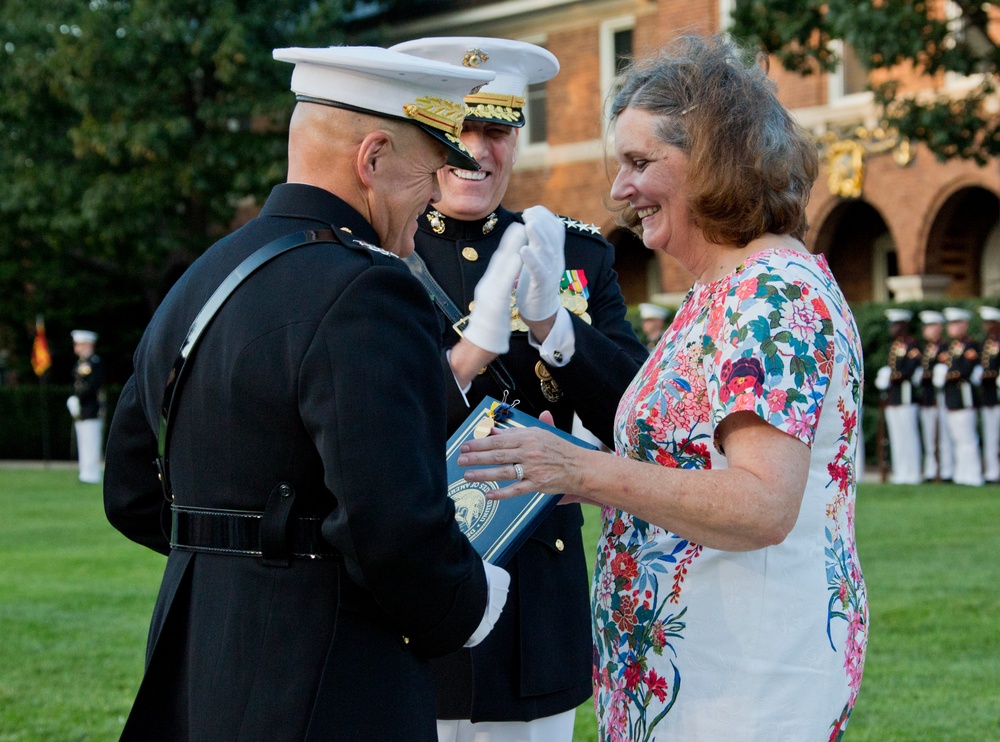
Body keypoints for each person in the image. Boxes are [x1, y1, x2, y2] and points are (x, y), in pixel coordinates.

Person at [457, 34, 868, 739]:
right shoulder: (725, 289)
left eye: (641, 163)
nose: (619, 191)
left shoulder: (769, 296)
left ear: (716, 161)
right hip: (698, 671)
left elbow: (761, 504)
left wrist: (578, 470)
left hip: (745, 678)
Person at [102, 46, 510, 741]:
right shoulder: (369, 290)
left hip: (196, 664)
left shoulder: (205, 274)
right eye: (430, 169)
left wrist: (236, 561)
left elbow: (133, 493)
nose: (438, 197)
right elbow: (393, 530)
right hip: (327, 678)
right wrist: (472, 603)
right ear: (372, 158)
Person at [388, 37, 648, 742]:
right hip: (416, 596)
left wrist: (554, 328)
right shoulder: (378, 259)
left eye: (496, 128)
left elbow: (637, 411)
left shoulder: (571, 254)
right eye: (458, 129)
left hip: (536, 596)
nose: (477, 148)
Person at [934, 307, 983, 486]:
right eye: (950, 323)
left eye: (955, 323)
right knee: (957, 439)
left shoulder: (970, 346)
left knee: (967, 438)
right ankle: (962, 473)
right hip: (952, 397)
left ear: (964, 325)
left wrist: (946, 375)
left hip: (964, 397)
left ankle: (973, 475)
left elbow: (965, 371)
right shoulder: (953, 347)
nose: (951, 327)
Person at [874, 309, 922, 484]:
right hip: (894, 397)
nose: (892, 328)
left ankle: (912, 472)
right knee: (897, 438)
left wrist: (892, 376)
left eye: (895, 325)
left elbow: (909, 370)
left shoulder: (911, 345)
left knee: (908, 435)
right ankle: (901, 472)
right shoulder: (895, 346)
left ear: (903, 326)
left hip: (906, 397)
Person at [917, 310, 954, 482]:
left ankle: (946, 470)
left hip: (941, 398)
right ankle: (932, 470)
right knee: (930, 437)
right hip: (928, 398)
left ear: (939, 327)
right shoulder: (928, 349)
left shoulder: (945, 348)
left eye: (930, 326)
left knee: (944, 436)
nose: (926, 329)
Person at [66, 329, 104, 484]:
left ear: (89, 345)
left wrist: (79, 398)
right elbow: (75, 384)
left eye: (80, 344)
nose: (77, 347)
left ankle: (93, 472)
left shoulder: (95, 362)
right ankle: (85, 471)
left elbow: (93, 385)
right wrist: (73, 398)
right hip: (81, 410)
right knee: (82, 441)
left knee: (91, 441)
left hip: (91, 409)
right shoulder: (79, 363)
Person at [977, 305, 1000, 483]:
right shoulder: (987, 343)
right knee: (991, 436)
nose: (985, 326)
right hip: (989, 395)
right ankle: (992, 472)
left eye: (989, 323)